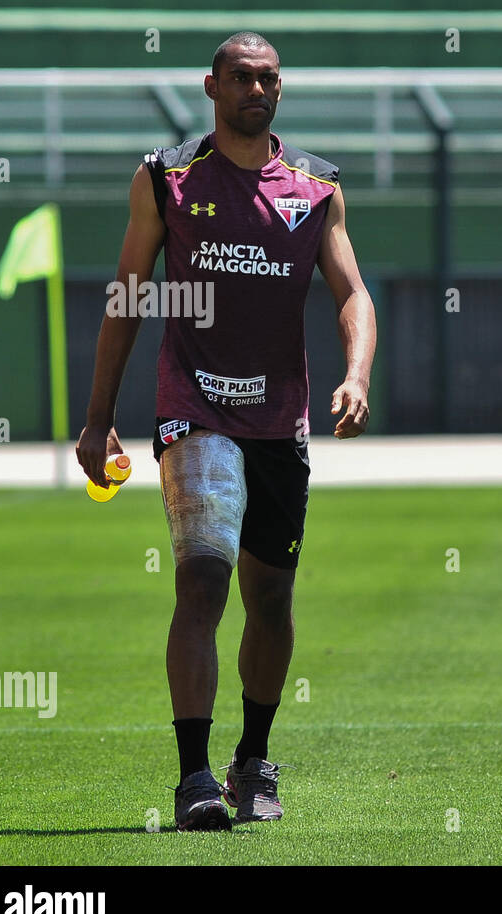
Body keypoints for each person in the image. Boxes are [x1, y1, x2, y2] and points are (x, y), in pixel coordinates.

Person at [75, 31, 377, 831]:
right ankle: (193, 778)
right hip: (195, 406)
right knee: (203, 581)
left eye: (270, 78)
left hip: (281, 418)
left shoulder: (315, 187)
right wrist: (98, 419)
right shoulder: (167, 177)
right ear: (211, 87)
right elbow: (127, 297)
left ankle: (253, 760)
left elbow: (354, 295)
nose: (258, 89)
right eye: (242, 77)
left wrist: (356, 374)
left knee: (270, 597)